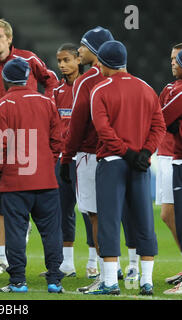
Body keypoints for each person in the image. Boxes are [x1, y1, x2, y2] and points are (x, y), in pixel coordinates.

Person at [0, 17, 59, 274]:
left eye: (0, 36)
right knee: (1, 200)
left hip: (31, 137)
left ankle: (26, 263)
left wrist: (47, 102)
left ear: (10, 39)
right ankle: (4, 258)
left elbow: (51, 80)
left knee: (26, 197)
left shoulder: (29, 59)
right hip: (0, 137)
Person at [91, 40, 165, 295]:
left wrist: (127, 153)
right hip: (141, 166)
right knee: (144, 220)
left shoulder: (100, 89)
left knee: (110, 221)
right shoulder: (146, 88)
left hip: (112, 162)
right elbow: (159, 126)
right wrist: (145, 152)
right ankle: (147, 282)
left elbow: (103, 130)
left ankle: (110, 282)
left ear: (103, 62)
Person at [0, 58, 64, 293]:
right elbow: (58, 140)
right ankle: (54, 281)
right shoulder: (46, 102)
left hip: (15, 182)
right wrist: (46, 164)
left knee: (16, 233)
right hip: (46, 180)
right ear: (28, 77)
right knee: (51, 232)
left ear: (5, 79)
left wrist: (1, 173)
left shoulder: (3, 104)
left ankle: (18, 281)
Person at [59, 26, 114, 292]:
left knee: (95, 216)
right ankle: (130, 269)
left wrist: (65, 157)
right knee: (114, 216)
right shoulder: (121, 77)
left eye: (82, 46)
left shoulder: (86, 80)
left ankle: (105, 277)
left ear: (94, 49)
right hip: (117, 155)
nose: (79, 51)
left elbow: (77, 124)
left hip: (90, 156)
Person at [52, 43, 98, 279]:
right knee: (63, 209)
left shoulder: (87, 86)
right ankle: (67, 263)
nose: (62, 65)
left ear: (78, 60)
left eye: (67, 60)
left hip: (81, 156)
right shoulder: (55, 92)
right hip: (62, 158)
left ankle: (93, 262)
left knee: (88, 209)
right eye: (59, 61)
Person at [161, 48, 182, 295]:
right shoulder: (169, 89)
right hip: (172, 156)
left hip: (177, 157)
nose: (174, 63)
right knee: (171, 215)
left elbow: (162, 118)